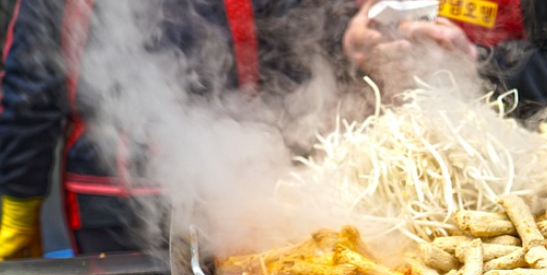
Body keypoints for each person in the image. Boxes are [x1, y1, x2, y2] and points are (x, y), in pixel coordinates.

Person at [0, 0, 360, 260]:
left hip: (237, 196)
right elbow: (31, 84)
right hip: (118, 204)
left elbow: (29, 89)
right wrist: (18, 198)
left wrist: (350, 37)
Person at [342, 0, 547, 119]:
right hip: (381, 131)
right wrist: (350, 35)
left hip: (517, 164)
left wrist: (477, 65)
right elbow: (305, 28)